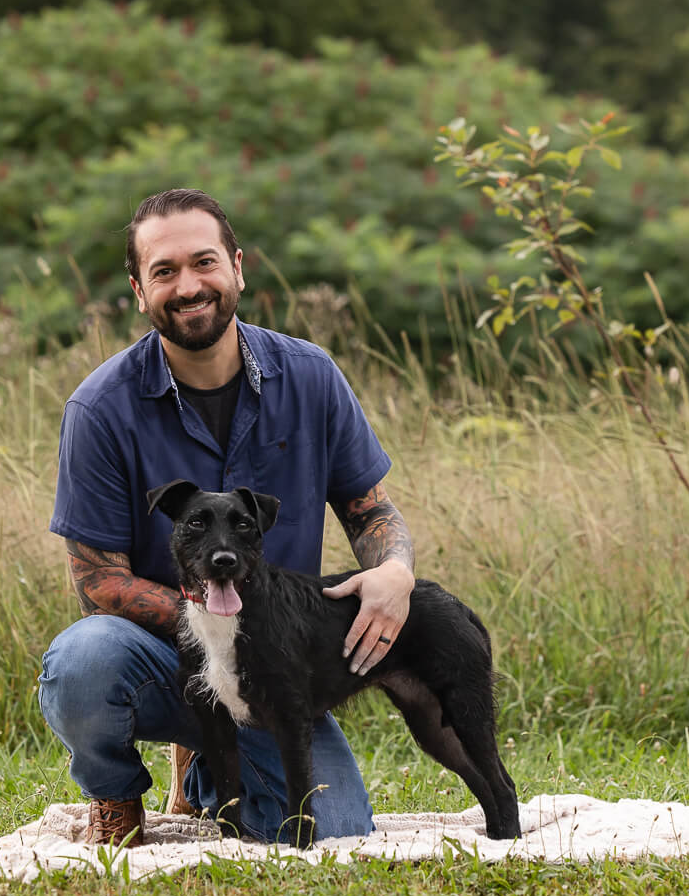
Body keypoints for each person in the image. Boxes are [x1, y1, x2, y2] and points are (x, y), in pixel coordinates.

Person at [40, 188, 416, 846]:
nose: (188, 286)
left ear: (237, 268)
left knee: (332, 832)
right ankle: (116, 794)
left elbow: (371, 511)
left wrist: (395, 571)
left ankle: (205, 769)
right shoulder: (99, 408)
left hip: (270, 666)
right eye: (164, 271)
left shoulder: (312, 377)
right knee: (81, 660)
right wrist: (210, 625)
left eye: (204, 262)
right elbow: (97, 581)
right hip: (160, 654)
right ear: (139, 291)